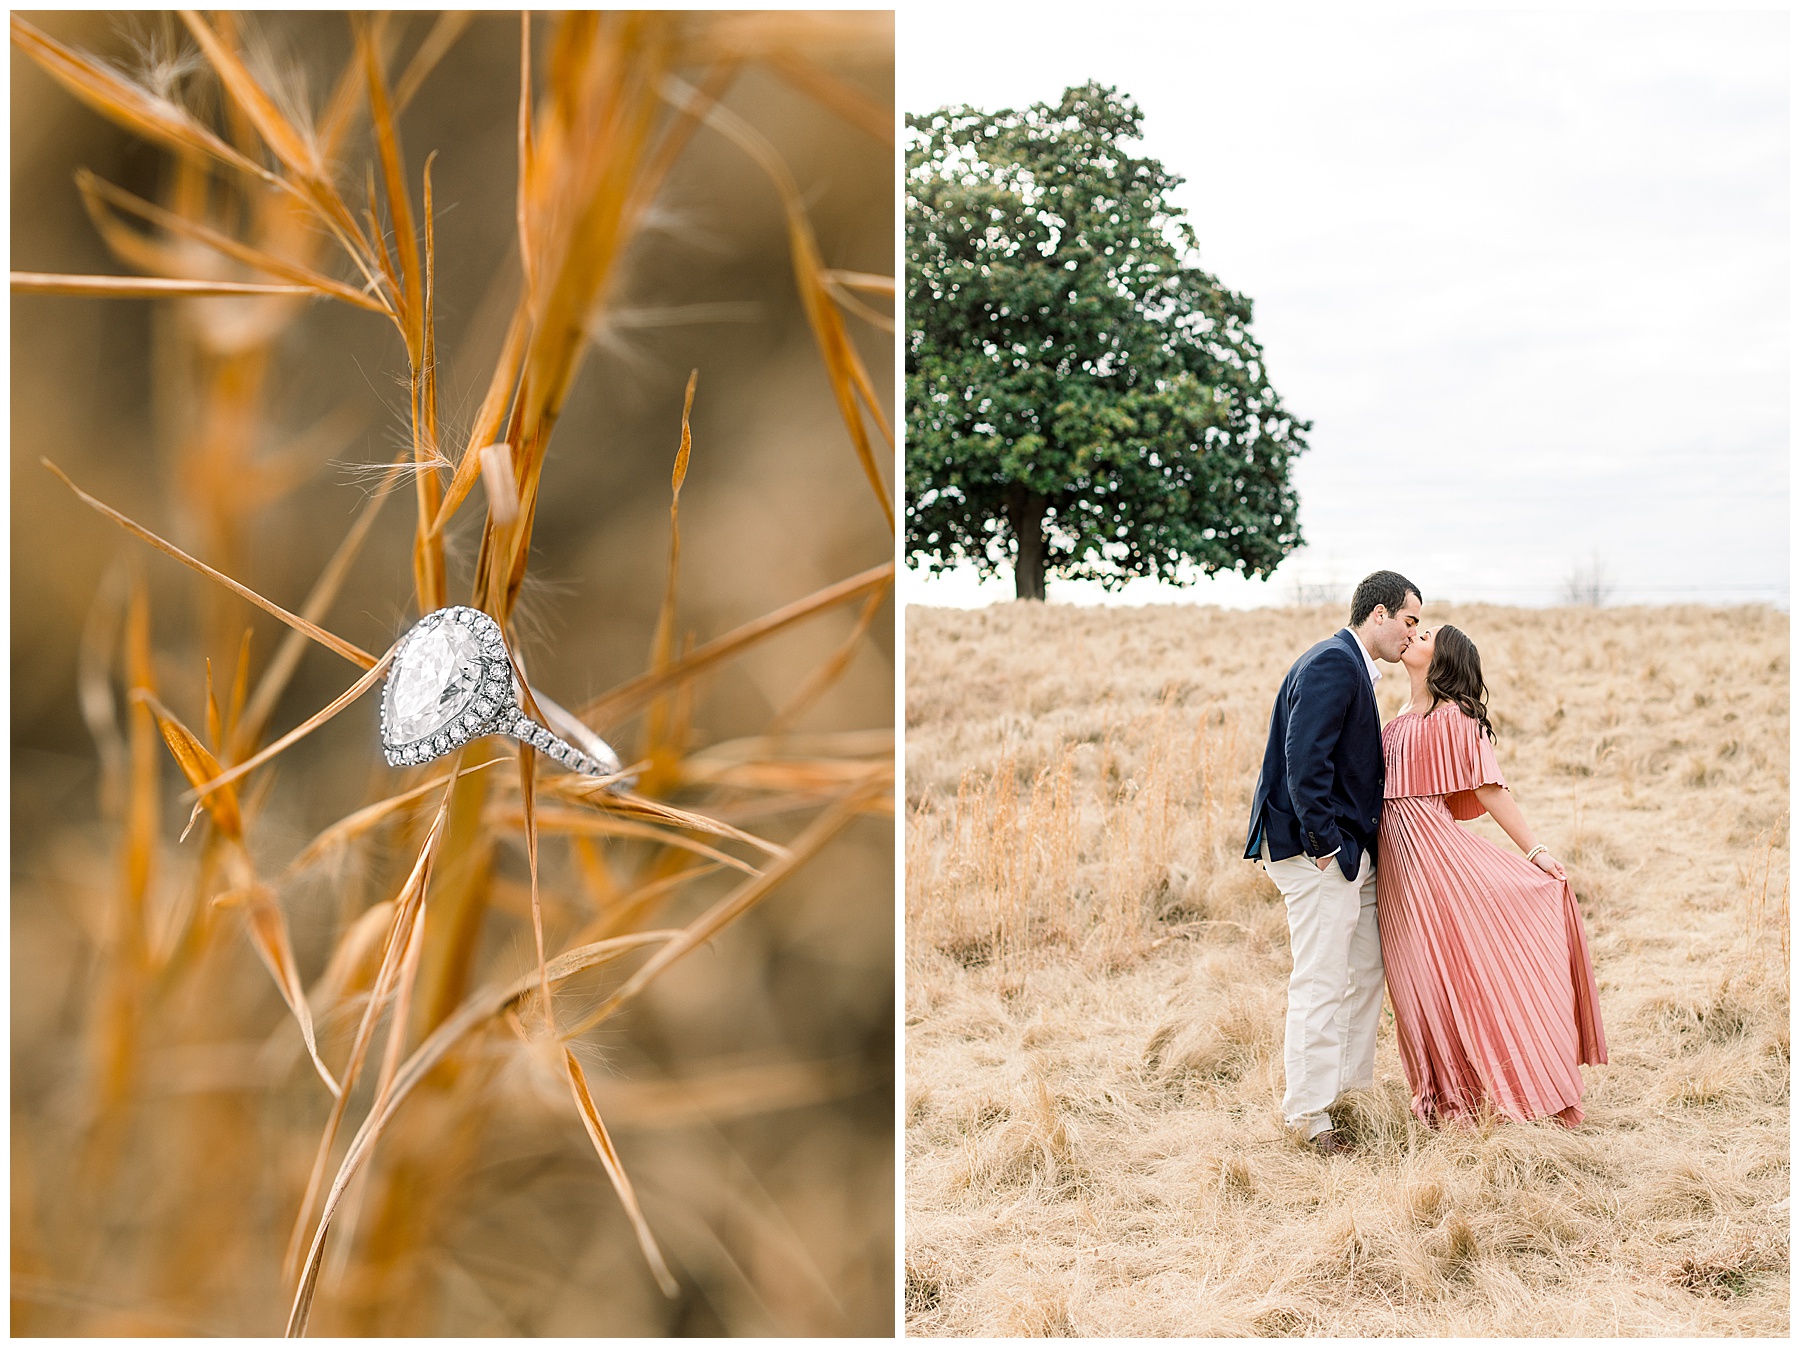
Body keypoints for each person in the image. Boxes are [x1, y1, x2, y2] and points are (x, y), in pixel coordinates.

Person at [1376, 624, 1607, 1126]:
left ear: (1445, 656)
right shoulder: (1395, 717)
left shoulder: (1456, 716)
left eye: (1428, 634)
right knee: (1416, 982)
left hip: (1436, 860)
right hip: (1397, 870)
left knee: (1458, 974)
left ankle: (1487, 1092)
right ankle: (1438, 1092)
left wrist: (1535, 851)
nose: (1416, 634)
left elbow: (1489, 789)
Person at [1244, 571, 1421, 1155]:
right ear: (1378, 614)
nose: (1412, 632)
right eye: (1409, 620)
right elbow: (1304, 763)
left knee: (1365, 971)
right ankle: (1309, 1117)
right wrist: (1325, 845)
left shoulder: (1351, 667)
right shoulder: (1331, 664)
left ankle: (1348, 1095)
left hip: (1347, 850)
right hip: (1315, 852)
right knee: (1321, 979)